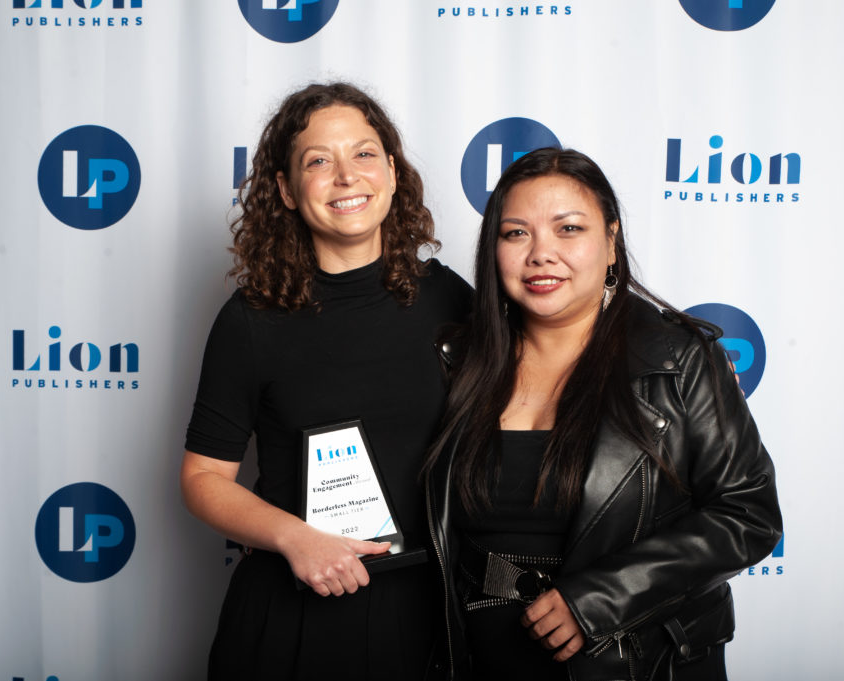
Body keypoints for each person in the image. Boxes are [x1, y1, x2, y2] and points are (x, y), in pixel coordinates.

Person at [424, 147, 782, 681]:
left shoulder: (679, 358)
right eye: (516, 233)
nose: (541, 254)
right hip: (485, 659)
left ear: (611, 241)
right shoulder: (459, 360)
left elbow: (748, 514)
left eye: (568, 229)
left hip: (633, 660)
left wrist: (597, 600)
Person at [180, 82, 472, 681]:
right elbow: (203, 478)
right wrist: (294, 538)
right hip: (293, 617)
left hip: (426, 616)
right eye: (318, 161)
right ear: (287, 191)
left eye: (364, 154)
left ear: (392, 172)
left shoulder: (450, 301)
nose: (346, 176)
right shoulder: (251, 319)